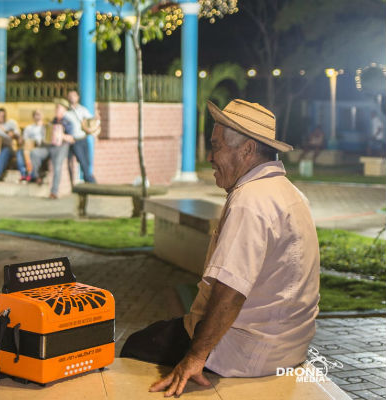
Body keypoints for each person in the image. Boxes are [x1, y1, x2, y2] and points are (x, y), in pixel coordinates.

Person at [121, 99, 320, 398]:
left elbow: (230, 290)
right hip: (289, 347)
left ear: (248, 150)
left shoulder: (250, 200)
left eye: (217, 147)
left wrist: (195, 357)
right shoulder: (290, 193)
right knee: (163, 331)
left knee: (135, 346)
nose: (211, 157)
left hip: (247, 352)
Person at [30, 99, 75, 199]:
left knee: (57, 166)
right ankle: (38, 175)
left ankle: (54, 192)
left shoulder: (68, 123)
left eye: (58, 108)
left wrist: (61, 135)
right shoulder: (53, 121)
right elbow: (47, 133)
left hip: (61, 147)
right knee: (34, 153)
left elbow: (72, 139)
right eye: (56, 108)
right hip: (49, 146)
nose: (56, 110)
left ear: (64, 110)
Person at [65, 90, 96, 183]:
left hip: (83, 138)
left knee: (87, 161)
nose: (72, 97)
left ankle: (88, 181)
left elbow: (91, 120)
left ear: (78, 97)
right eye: (70, 96)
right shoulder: (66, 112)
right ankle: (91, 182)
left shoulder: (83, 109)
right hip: (74, 140)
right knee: (82, 162)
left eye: (74, 95)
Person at [21, 110, 46, 182]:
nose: (38, 116)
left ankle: (32, 174)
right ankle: (24, 174)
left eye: (39, 114)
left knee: (34, 152)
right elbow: (25, 139)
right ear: (33, 117)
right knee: (20, 152)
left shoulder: (45, 127)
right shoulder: (29, 128)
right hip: (29, 147)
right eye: (36, 115)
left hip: (40, 147)